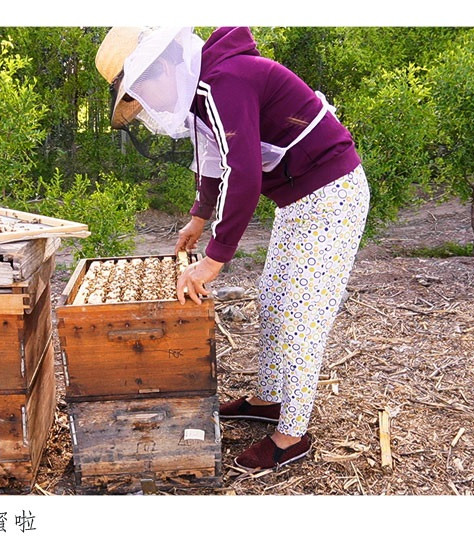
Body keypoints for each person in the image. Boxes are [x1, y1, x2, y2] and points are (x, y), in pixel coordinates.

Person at [95, 26, 370, 471]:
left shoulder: (226, 82)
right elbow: (214, 158)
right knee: (274, 299)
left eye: (142, 89)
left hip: (331, 193)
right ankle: (268, 400)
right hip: (299, 199)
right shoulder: (204, 91)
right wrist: (199, 218)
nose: (147, 105)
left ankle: (291, 435)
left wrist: (215, 258)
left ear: (162, 66)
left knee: (301, 314)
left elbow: (244, 173)